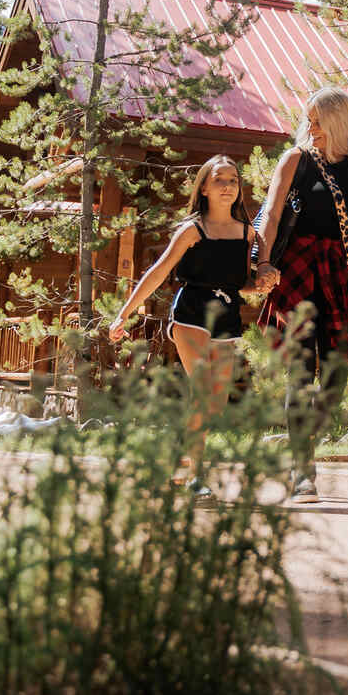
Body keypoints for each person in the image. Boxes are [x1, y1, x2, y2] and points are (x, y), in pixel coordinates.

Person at [108, 154, 277, 497]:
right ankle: (189, 475)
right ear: (204, 187)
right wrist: (124, 313)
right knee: (202, 393)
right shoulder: (192, 229)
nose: (227, 186)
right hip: (191, 313)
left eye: (233, 180)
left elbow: (237, 281)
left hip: (227, 314)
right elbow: (158, 271)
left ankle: (174, 461)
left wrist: (260, 284)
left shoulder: (247, 234)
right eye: (219, 179)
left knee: (214, 400)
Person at [254, 87, 348, 503]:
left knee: (336, 375)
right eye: (307, 120)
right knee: (300, 369)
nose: (309, 128)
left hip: (337, 273)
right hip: (295, 269)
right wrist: (261, 264)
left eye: (317, 121)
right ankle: (302, 470)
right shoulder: (294, 161)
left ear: (337, 123)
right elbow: (272, 214)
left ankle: (301, 447)